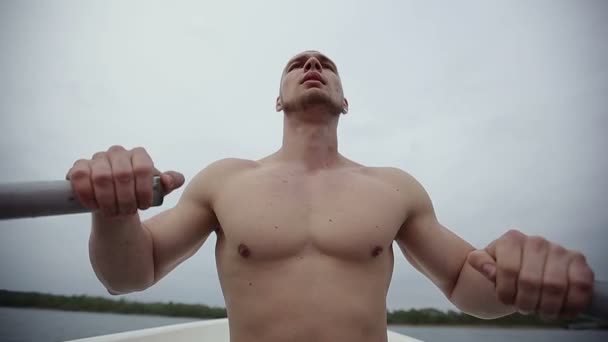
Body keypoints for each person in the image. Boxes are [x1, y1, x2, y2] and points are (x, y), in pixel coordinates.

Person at [66, 50, 595, 342]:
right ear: (278, 100)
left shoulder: (393, 187)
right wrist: (114, 215)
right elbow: (130, 273)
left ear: (346, 99)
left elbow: (464, 282)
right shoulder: (225, 179)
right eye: (297, 64)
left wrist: (514, 276)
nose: (311, 64)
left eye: (325, 63)